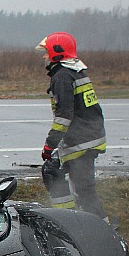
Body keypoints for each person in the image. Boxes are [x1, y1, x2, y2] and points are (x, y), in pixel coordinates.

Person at [36, 31, 108, 220]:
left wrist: (49, 144)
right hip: (87, 137)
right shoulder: (75, 71)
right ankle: (67, 218)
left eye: (46, 52)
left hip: (81, 142)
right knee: (52, 171)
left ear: (56, 52)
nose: (44, 56)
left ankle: (103, 232)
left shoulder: (62, 77)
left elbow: (64, 116)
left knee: (85, 193)